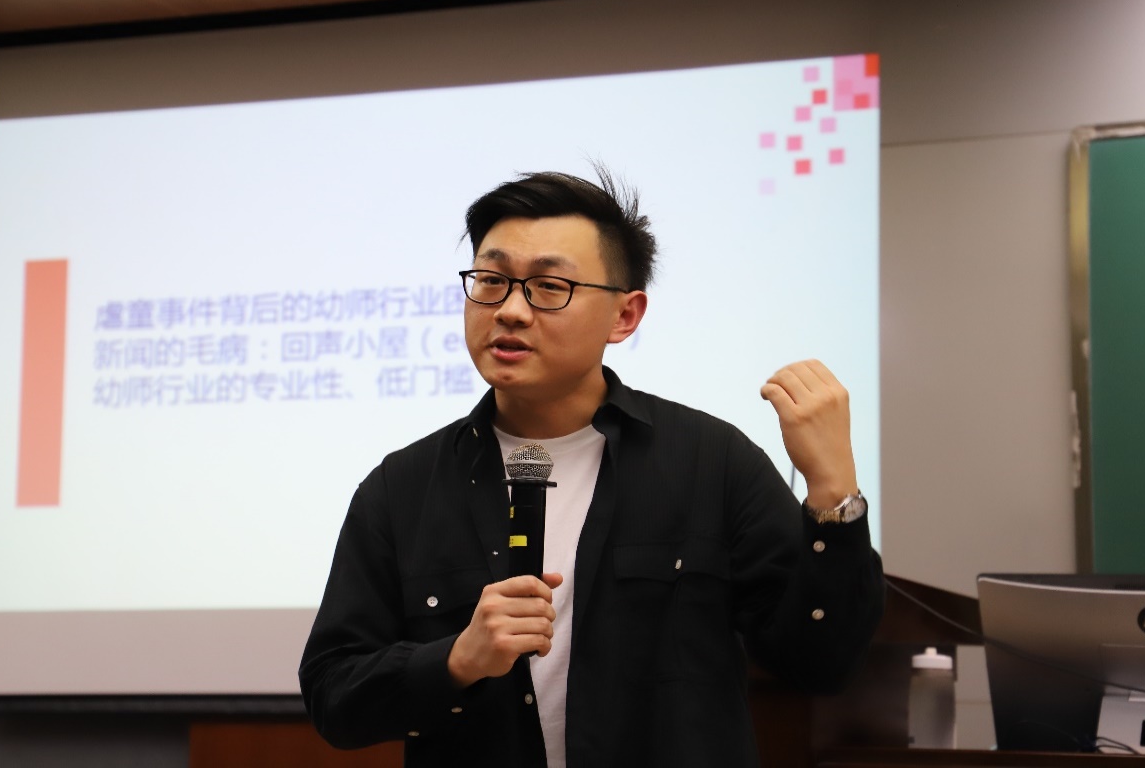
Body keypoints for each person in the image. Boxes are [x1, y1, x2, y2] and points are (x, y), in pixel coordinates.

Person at [299, 168, 885, 768]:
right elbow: (333, 695)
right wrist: (457, 659)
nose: (510, 311)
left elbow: (820, 661)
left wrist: (832, 491)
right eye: (491, 281)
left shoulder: (712, 463)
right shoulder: (403, 487)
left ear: (624, 316)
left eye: (549, 286)